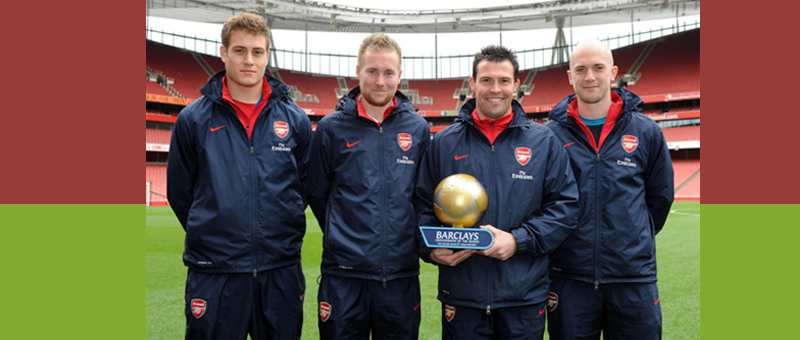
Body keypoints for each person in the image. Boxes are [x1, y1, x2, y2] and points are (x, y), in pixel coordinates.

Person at [414, 45, 580, 340]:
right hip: (463, 296)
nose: (495, 89)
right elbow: (421, 204)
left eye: (504, 80)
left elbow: (565, 207)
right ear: (472, 83)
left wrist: (518, 241)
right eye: (487, 80)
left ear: (517, 85)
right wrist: (429, 249)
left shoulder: (544, 142)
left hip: (523, 297)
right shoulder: (443, 143)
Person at [166, 12, 311, 340]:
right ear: (223, 53)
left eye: (257, 52)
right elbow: (180, 194)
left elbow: (302, 188)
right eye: (240, 50)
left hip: (280, 270)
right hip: (215, 272)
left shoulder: (296, 120)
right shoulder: (192, 120)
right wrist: (215, 233)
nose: (249, 60)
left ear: (267, 56)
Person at [544, 39, 675, 340]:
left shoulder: (646, 131)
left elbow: (660, 199)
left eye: (598, 68)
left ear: (613, 72)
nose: (590, 76)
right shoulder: (549, 136)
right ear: (570, 76)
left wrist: (629, 238)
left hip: (632, 279)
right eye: (581, 69)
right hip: (569, 278)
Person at [307, 33, 430, 340]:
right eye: (372, 71)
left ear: (400, 76)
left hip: (400, 276)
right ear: (358, 71)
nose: (380, 81)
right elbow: (317, 194)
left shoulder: (418, 129)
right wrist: (344, 236)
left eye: (389, 73)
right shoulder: (330, 128)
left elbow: (423, 197)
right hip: (343, 277)